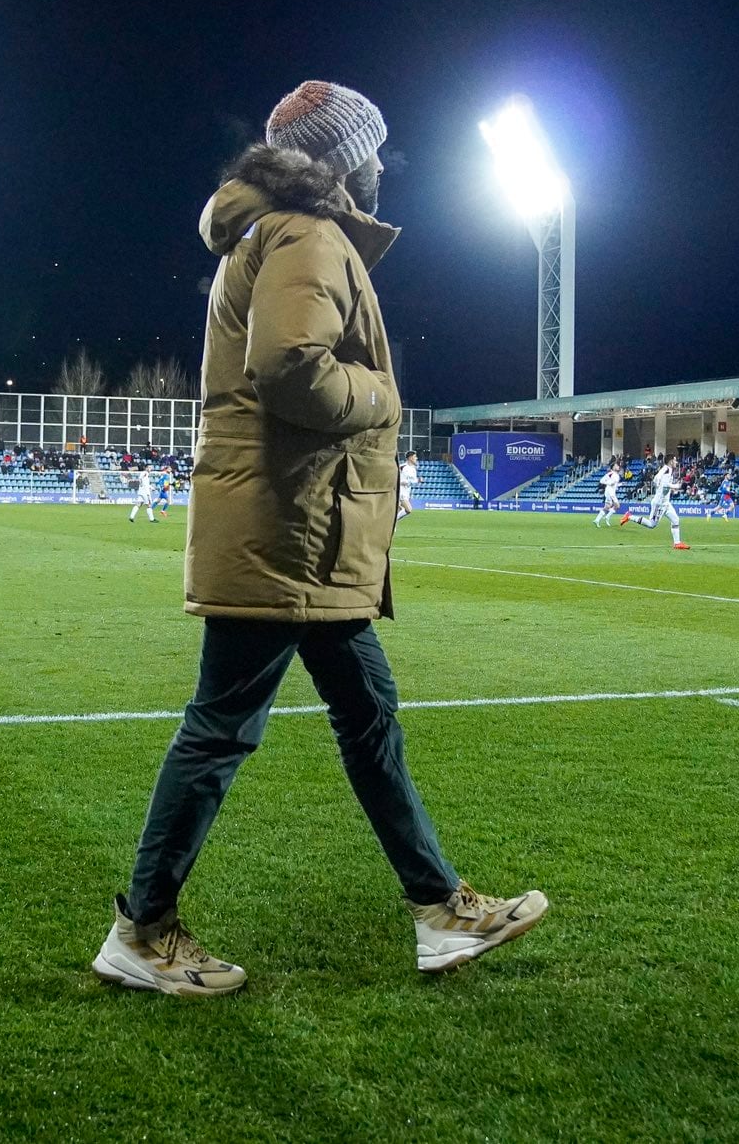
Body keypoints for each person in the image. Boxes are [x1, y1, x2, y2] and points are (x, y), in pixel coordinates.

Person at [95, 80, 546, 997]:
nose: (382, 166)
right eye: (370, 150)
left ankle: (439, 911)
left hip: (303, 527)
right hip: (290, 528)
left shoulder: (276, 233)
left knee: (367, 714)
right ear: (340, 162)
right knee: (223, 728)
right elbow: (290, 367)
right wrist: (382, 396)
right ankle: (141, 929)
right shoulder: (306, 235)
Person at [619, 456, 689, 548]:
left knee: (675, 520)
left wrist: (658, 481)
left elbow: (659, 479)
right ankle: (629, 516)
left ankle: (677, 543)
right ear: (671, 461)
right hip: (659, 503)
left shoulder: (668, 470)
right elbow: (663, 482)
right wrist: (676, 486)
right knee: (651, 524)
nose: (676, 462)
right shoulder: (667, 469)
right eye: (675, 460)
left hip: (666, 502)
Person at [590, 459, 623, 527]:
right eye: (616, 465)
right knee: (617, 505)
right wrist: (609, 483)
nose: (618, 466)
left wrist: (620, 484)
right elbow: (601, 480)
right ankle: (607, 517)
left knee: (607, 507)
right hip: (610, 492)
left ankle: (597, 520)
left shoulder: (616, 475)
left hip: (611, 492)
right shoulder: (610, 473)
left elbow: (614, 484)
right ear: (613, 467)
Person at [397, 451, 418, 519]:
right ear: (410, 458)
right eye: (415, 457)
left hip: (407, 493)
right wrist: (401, 482)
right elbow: (394, 478)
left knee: (399, 510)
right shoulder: (402, 467)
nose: (416, 458)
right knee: (409, 509)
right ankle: (392, 522)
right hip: (401, 492)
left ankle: (392, 523)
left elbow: (414, 481)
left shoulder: (414, 469)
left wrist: (418, 480)